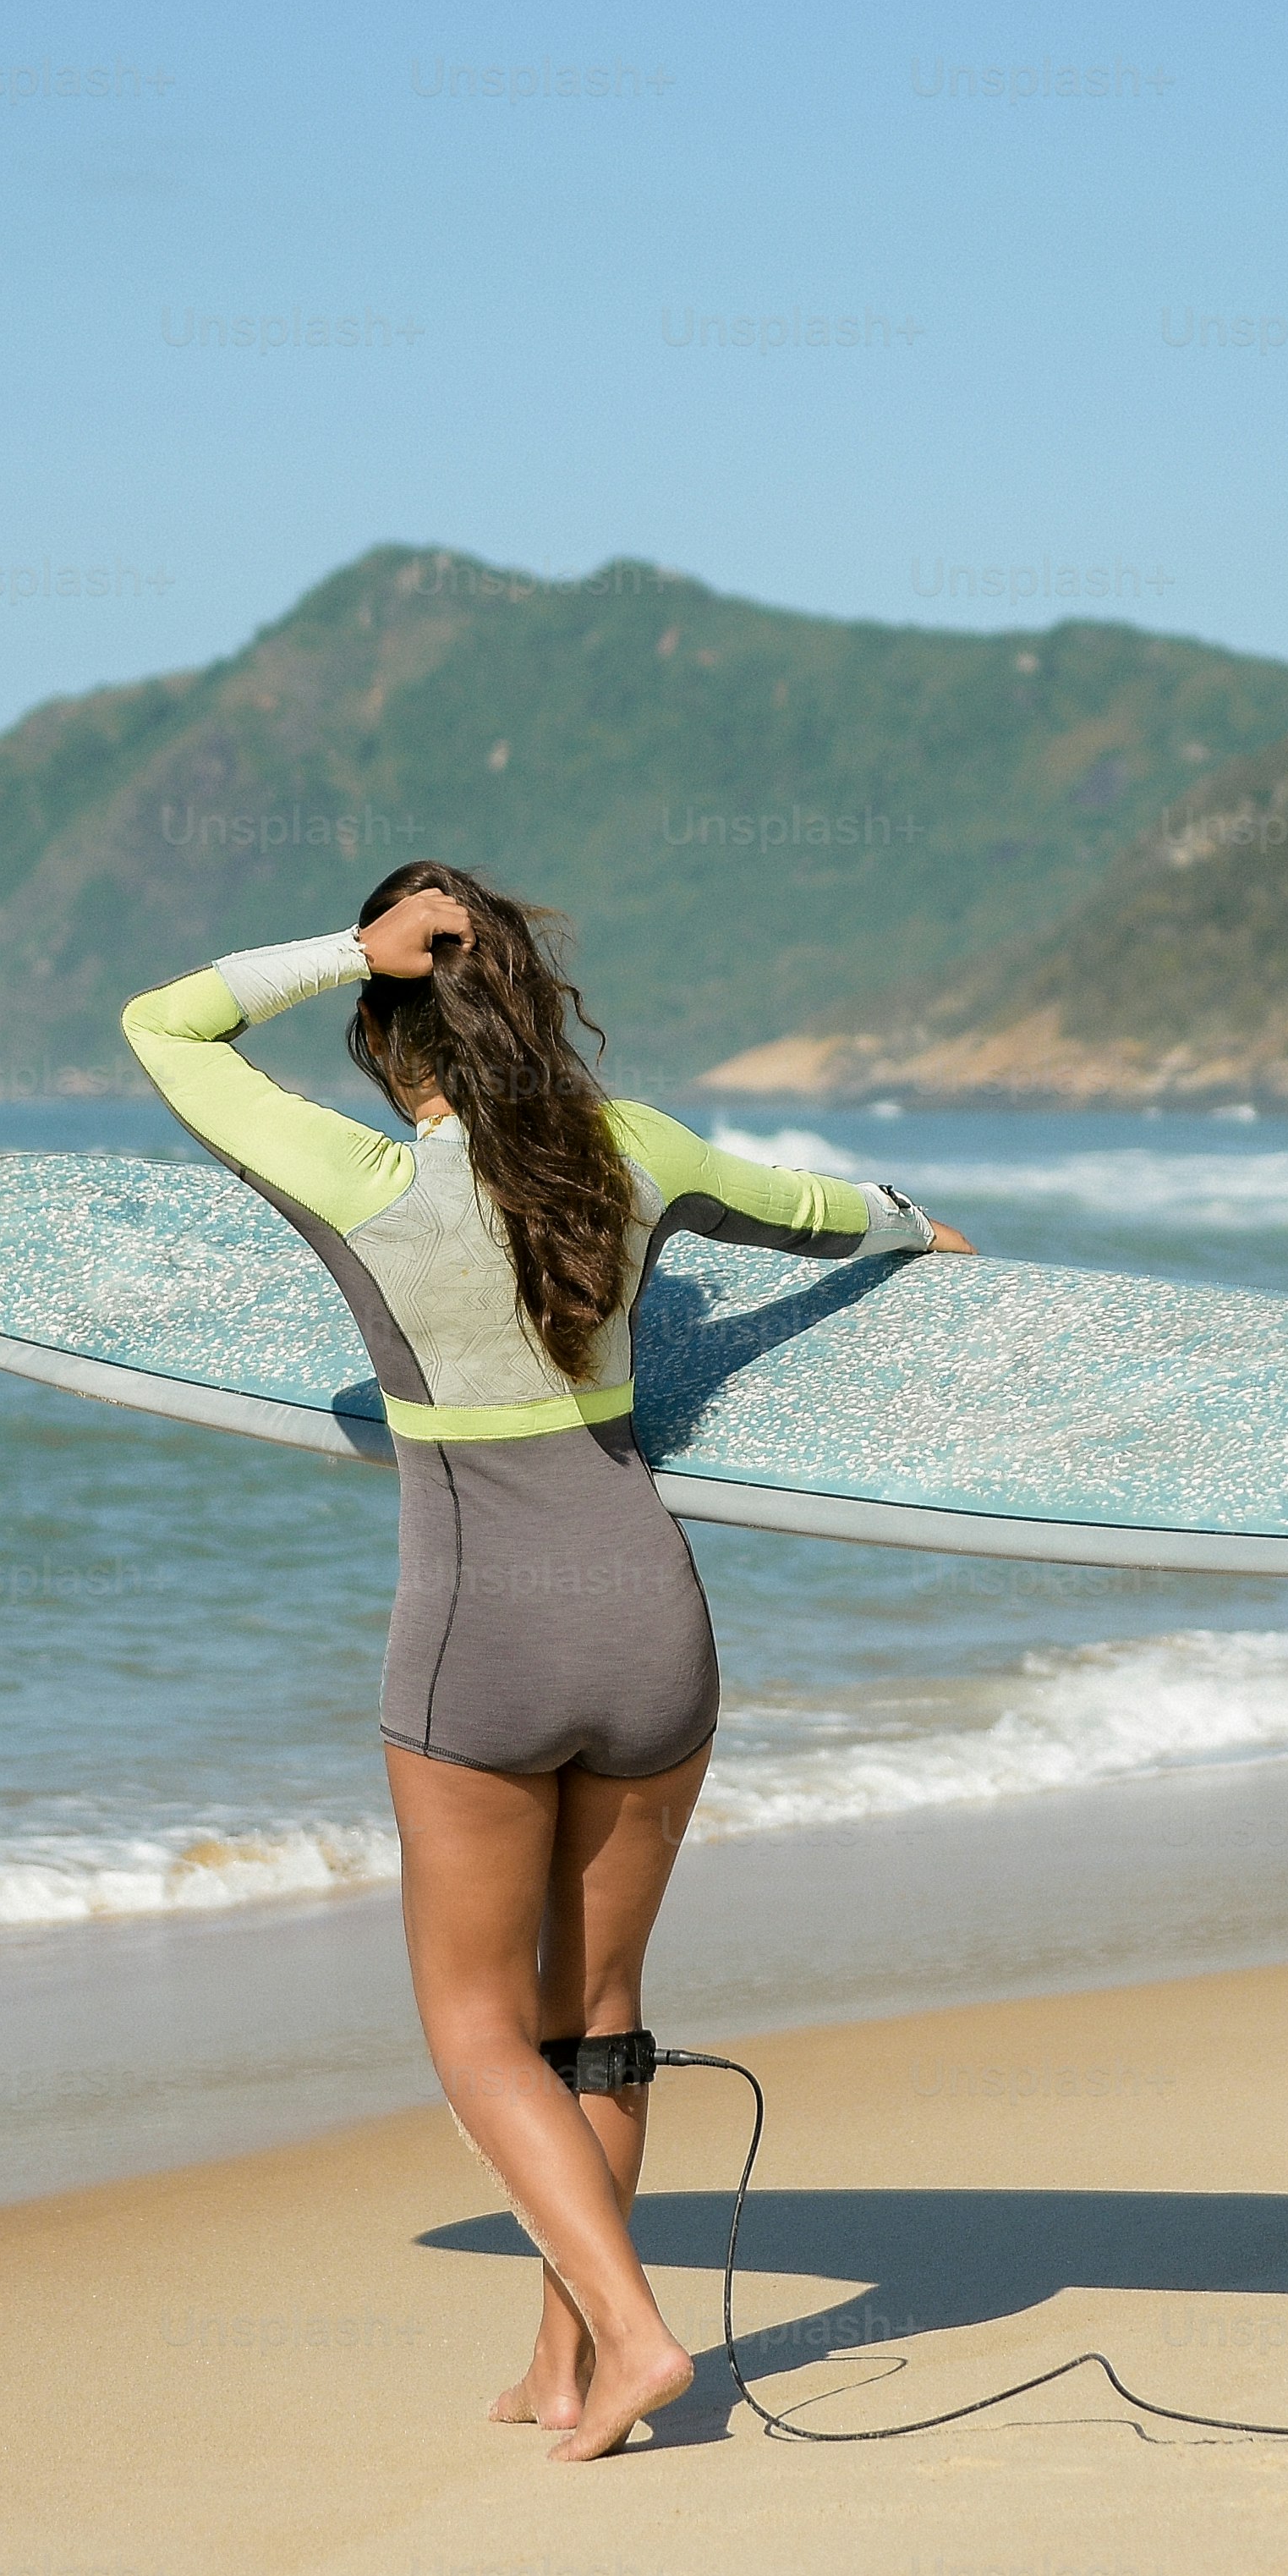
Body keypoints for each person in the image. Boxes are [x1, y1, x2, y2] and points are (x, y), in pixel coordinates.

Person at [121, 862, 973, 2458]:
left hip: (481, 1637)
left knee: (474, 2030)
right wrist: (916, 1230)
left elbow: (166, 1029)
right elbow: (805, 1208)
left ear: (391, 1032)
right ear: (522, 1003)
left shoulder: (363, 1182)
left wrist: (342, 951)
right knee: (599, 2020)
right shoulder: (632, 1151)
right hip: (653, 1623)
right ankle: (565, 2366)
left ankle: (638, 2340)